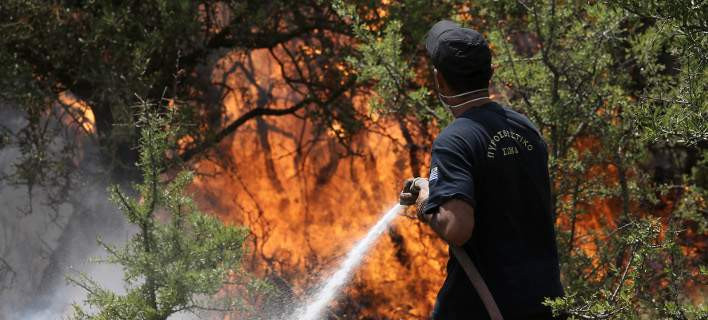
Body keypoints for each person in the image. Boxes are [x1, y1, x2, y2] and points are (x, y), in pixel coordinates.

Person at [399, 20, 564, 319]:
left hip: (482, 307)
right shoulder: (525, 128)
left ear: (440, 80)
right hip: (546, 302)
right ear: (491, 73)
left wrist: (426, 199)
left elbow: (457, 228)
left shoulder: (454, 141)